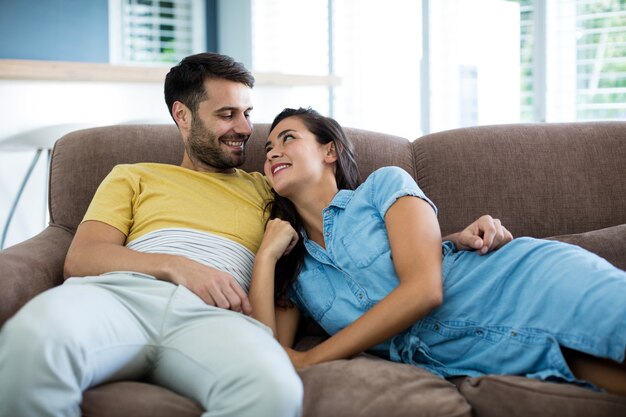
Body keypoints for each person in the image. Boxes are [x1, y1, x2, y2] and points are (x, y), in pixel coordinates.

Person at [0, 54, 502, 417]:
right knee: (32, 342)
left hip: (221, 319)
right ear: (182, 115)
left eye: (246, 113)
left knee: (273, 392)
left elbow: (353, 230)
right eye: (226, 114)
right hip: (121, 297)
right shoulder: (133, 175)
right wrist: (178, 266)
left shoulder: (272, 187)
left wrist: (449, 239)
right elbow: (81, 257)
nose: (245, 128)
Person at [249, 107, 626, 396]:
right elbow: (270, 355)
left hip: (523, 282)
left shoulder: (384, 185)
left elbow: (424, 289)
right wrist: (266, 257)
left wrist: (313, 358)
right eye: (267, 149)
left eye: (287, 138)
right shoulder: (297, 269)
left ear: (329, 150)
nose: (273, 153)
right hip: (477, 352)